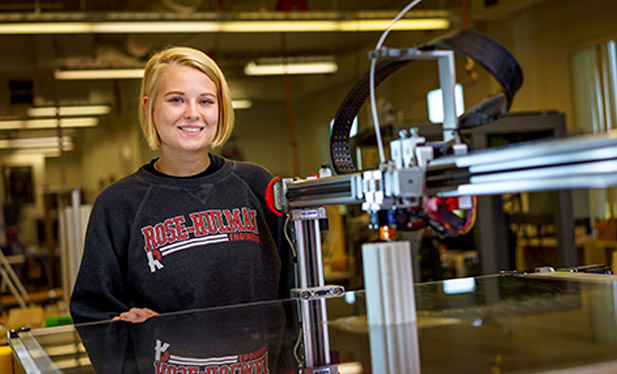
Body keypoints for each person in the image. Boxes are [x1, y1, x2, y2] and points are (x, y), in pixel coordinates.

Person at [70, 46, 295, 324]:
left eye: (206, 101)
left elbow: (295, 288)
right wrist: (126, 325)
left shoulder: (256, 185)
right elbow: (92, 312)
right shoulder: (117, 205)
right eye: (176, 100)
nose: (192, 113)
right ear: (148, 107)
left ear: (221, 109)